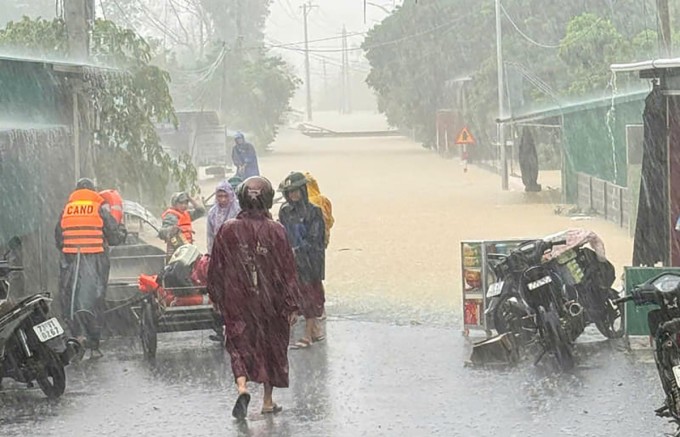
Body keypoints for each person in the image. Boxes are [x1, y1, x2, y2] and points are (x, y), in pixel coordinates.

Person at [207, 176, 299, 420]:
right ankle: (267, 401)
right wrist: (292, 304)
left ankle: (242, 387)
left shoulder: (227, 230)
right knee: (271, 345)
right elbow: (288, 271)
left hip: (237, 299)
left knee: (239, 343)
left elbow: (215, 267)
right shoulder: (277, 231)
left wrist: (216, 296)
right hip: (271, 301)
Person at [55, 178, 126, 354]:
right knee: (95, 300)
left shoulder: (67, 210)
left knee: (71, 299)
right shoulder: (99, 209)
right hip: (95, 260)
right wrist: (121, 231)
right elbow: (114, 237)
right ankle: (94, 343)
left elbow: (58, 239)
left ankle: (77, 337)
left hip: (70, 261)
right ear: (93, 191)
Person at [278, 171, 326, 349]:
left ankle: (308, 334)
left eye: (296, 191)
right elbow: (281, 233)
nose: (293, 195)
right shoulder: (284, 211)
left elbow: (315, 238)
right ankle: (309, 330)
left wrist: (297, 251)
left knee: (310, 298)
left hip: (309, 261)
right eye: (290, 192)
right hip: (290, 261)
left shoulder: (314, 211)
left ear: (303, 190)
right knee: (290, 297)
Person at [305, 172, 334, 321]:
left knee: (308, 278)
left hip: (308, 245)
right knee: (316, 277)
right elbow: (330, 220)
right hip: (320, 243)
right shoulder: (324, 200)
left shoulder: (309, 204)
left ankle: (312, 307)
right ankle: (319, 307)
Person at [158, 192, 205, 260]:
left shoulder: (186, 214)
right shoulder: (171, 216)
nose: (184, 206)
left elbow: (201, 211)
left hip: (188, 249)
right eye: (181, 203)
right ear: (175, 204)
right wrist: (171, 230)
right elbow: (161, 233)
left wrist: (190, 199)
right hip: (176, 251)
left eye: (186, 203)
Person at [207, 180, 241, 254]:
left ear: (231, 195)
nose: (223, 199)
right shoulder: (212, 213)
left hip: (237, 249)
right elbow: (210, 235)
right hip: (219, 250)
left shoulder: (239, 209)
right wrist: (210, 254)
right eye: (220, 196)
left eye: (226, 196)